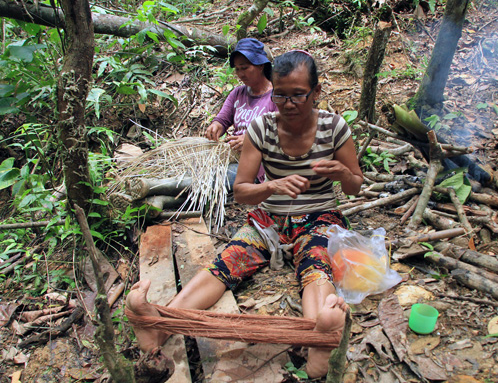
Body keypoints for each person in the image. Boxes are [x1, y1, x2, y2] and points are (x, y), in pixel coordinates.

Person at [127, 50, 364, 378]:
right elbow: (241, 190)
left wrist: (341, 172)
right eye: (280, 94)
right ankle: (158, 325)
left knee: (316, 265)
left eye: (299, 94)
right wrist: (272, 187)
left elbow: (355, 186)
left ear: (316, 93)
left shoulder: (335, 128)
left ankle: (318, 337)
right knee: (227, 263)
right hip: (269, 219)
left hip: (318, 216)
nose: (289, 102)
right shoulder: (261, 129)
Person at [205, 38, 277, 185]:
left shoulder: (278, 96)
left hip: (259, 164)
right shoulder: (237, 93)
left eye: (245, 68)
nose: (240, 74)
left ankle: (153, 189)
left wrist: (252, 140)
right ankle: (155, 193)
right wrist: (216, 126)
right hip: (234, 155)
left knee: (212, 181)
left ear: (261, 65)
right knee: (202, 174)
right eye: (237, 69)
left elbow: (284, 135)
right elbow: (222, 119)